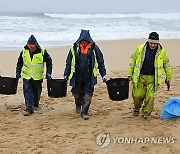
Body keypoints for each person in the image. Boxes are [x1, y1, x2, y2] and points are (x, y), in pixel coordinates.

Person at [64, 29, 107, 120]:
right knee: (76, 93)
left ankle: (85, 112)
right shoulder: (74, 48)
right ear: (79, 40)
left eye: (86, 41)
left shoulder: (94, 48)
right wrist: (66, 75)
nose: (84, 42)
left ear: (89, 40)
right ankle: (78, 103)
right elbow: (68, 62)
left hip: (89, 76)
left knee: (88, 95)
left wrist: (104, 75)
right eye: (82, 40)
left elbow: (100, 62)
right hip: (76, 76)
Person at [128, 32, 172, 119]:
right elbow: (132, 60)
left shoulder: (162, 52)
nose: (153, 45)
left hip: (153, 79)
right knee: (137, 95)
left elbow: (166, 64)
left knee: (150, 97)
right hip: (140, 77)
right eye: (151, 43)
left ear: (158, 43)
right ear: (148, 41)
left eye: (155, 43)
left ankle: (146, 114)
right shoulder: (140, 48)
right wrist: (130, 74)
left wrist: (168, 77)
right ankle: (137, 109)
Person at [16, 35, 52, 116]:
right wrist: (17, 72)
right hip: (26, 76)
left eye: (32, 46)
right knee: (27, 92)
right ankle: (29, 108)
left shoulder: (42, 52)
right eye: (29, 46)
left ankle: (35, 104)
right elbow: (19, 63)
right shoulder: (24, 51)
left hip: (37, 77)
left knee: (36, 92)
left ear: (36, 45)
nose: (31, 47)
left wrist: (49, 72)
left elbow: (49, 62)